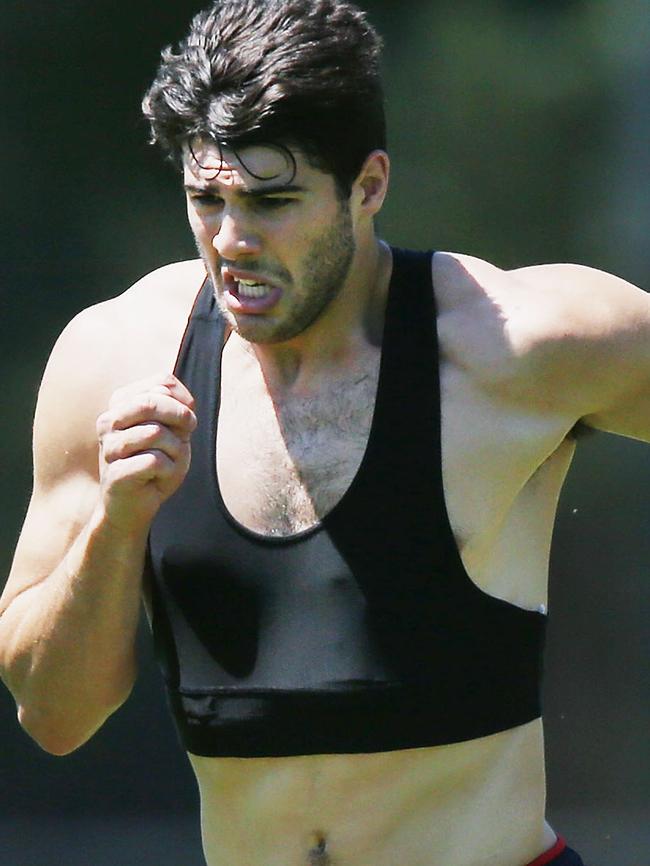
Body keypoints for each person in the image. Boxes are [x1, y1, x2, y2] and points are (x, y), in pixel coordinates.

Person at [0, 1, 648, 864]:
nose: (232, 242)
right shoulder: (113, 358)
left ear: (369, 185)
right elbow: (53, 716)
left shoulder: (521, 345)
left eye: (273, 200)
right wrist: (115, 524)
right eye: (207, 199)